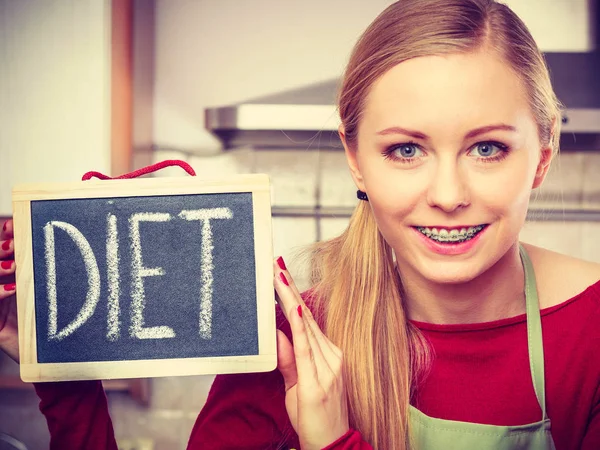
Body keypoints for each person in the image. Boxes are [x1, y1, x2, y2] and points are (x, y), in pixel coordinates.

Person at [1, 0, 600, 448]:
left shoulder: (593, 331)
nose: (448, 196)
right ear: (355, 157)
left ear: (543, 155)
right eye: (405, 151)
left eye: (488, 148)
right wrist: (64, 374)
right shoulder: (296, 314)